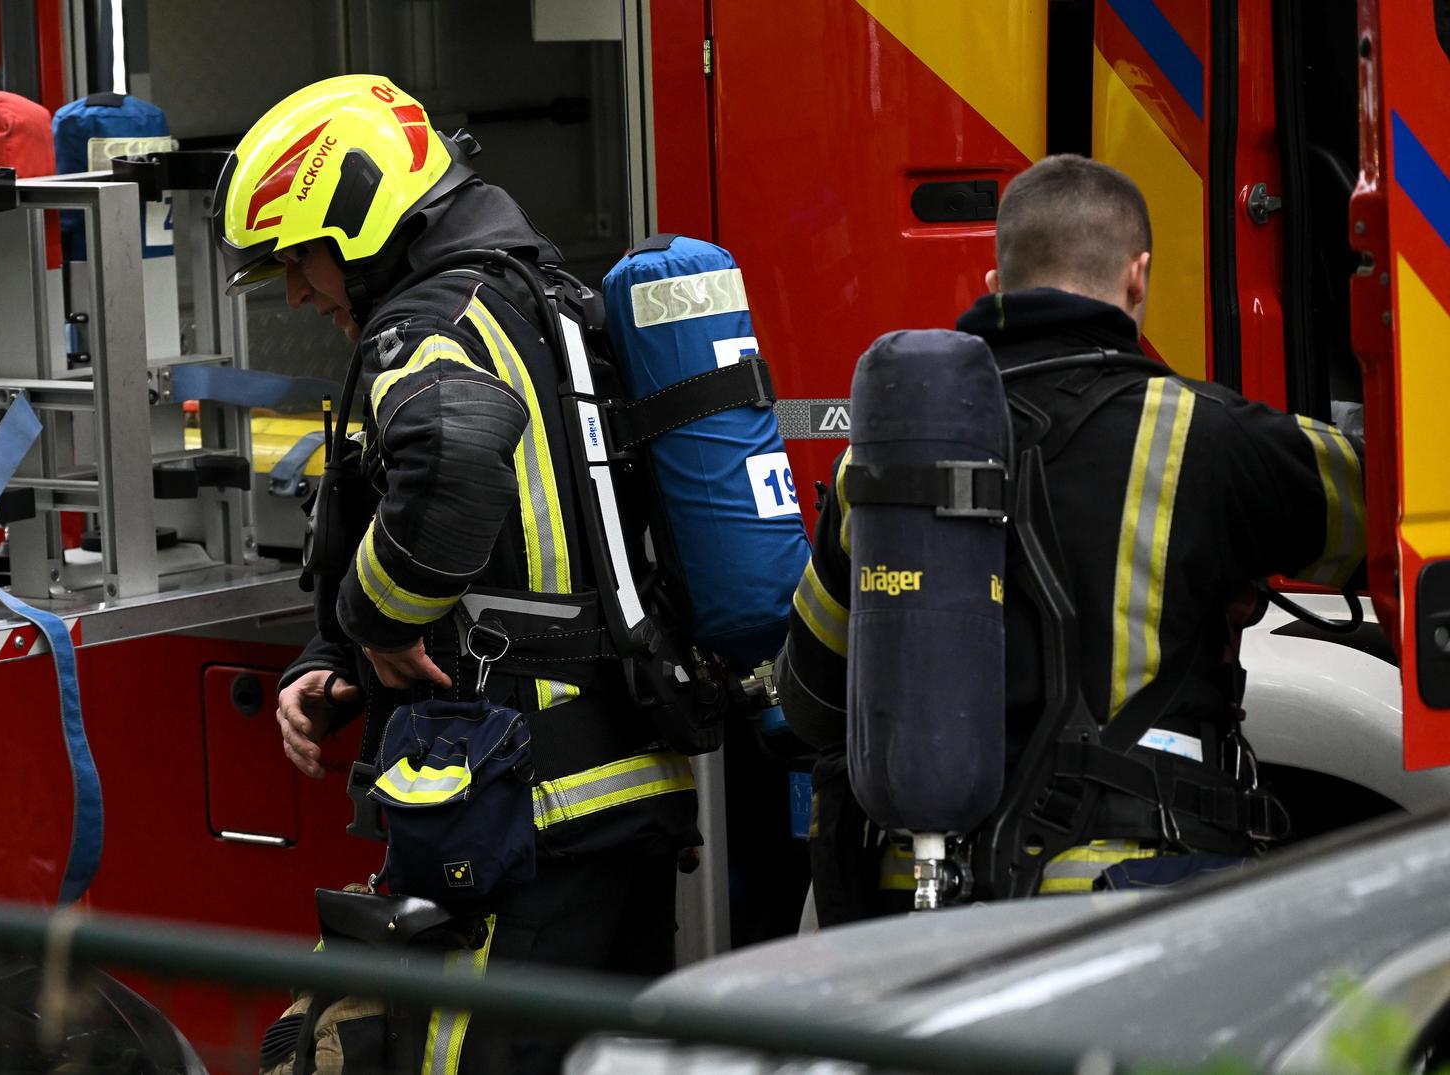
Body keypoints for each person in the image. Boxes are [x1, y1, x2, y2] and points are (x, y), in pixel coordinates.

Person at [213, 75, 700, 1073]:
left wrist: (375, 622)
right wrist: (337, 658)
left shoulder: (426, 323)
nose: (297, 292)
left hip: (521, 807)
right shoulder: (539, 300)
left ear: (359, 217)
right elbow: (523, 555)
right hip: (618, 783)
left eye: (298, 259)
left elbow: (456, 453)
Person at [778, 154, 1366, 918]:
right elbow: (1386, 522)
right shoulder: (1205, 436)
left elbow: (811, 697)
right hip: (1127, 910)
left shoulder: (882, 458)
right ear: (1138, 278)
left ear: (996, 283)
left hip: (920, 913)